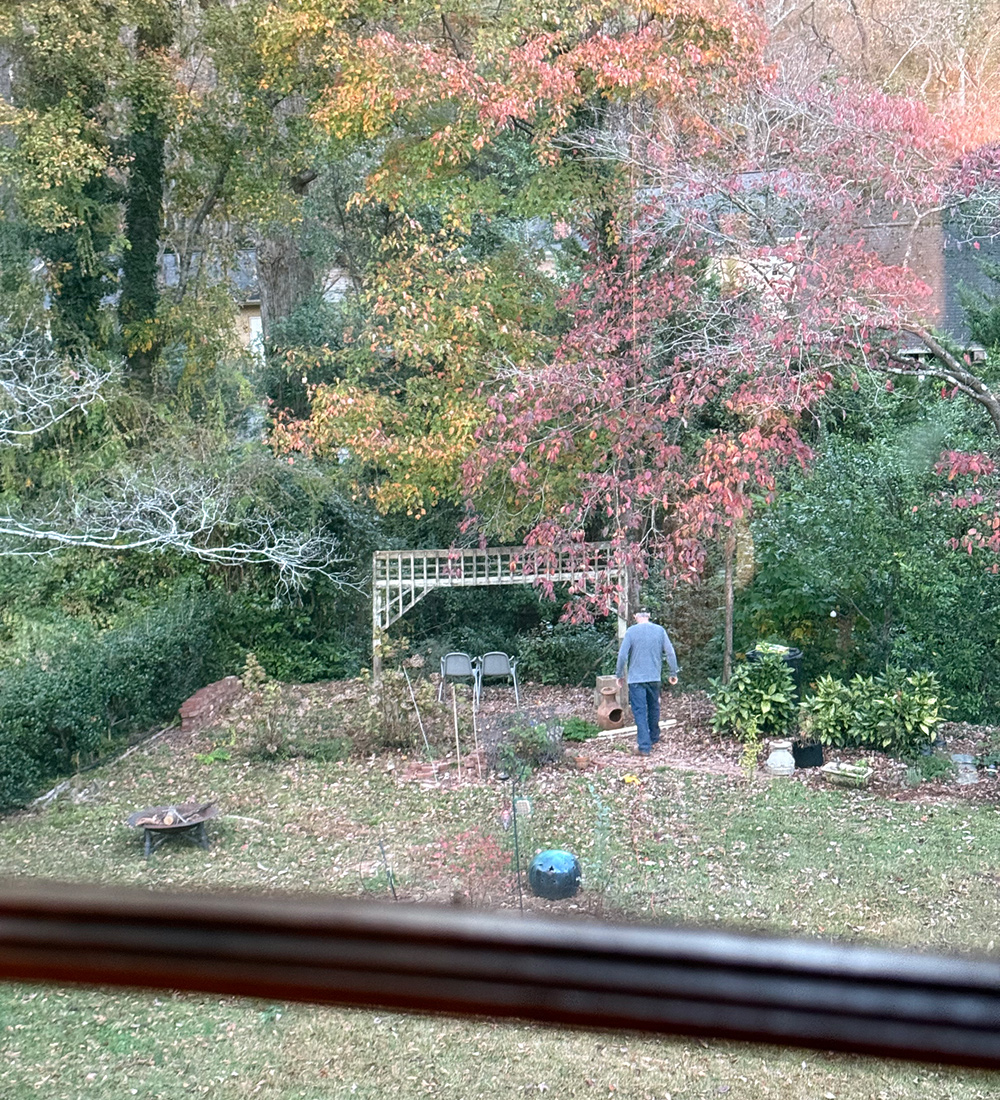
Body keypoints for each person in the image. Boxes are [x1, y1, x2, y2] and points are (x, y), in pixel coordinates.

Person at [615, 608, 679, 756]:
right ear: (649, 615)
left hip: (636, 680)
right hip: (654, 678)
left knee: (640, 711)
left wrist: (619, 675)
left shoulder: (631, 631)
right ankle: (654, 737)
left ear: (635, 616)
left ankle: (644, 747)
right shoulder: (660, 630)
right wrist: (673, 672)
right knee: (654, 707)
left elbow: (622, 655)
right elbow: (670, 652)